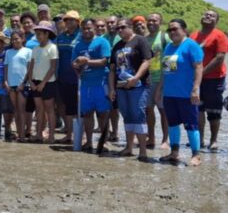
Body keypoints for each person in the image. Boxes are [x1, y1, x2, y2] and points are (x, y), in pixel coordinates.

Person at [157, 19, 204, 166]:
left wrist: (195, 88)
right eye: (169, 30)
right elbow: (166, 71)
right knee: (172, 124)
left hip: (186, 94)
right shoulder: (169, 47)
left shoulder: (191, 45)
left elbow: (198, 68)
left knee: (191, 125)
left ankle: (196, 155)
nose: (172, 32)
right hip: (170, 94)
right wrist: (159, 90)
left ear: (184, 29)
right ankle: (174, 153)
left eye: (175, 29)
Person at [109, 17, 153, 160]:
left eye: (122, 27)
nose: (120, 30)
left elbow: (147, 61)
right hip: (121, 87)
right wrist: (111, 88)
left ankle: (142, 151)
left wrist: (136, 78)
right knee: (127, 115)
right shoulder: (117, 46)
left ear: (130, 27)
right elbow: (112, 69)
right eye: (117, 28)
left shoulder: (140, 40)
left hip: (139, 85)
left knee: (138, 115)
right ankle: (128, 147)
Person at [190, 10, 228, 150]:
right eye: (205, 14)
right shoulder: (194, 35)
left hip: (214, 78)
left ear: (216, 21)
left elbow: (219, 58)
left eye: (212, 15)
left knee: (213, 110)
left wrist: (201, 72)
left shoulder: (220, 35)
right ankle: (199, 139)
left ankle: (214, 140)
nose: (207, 16)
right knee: (198, 108)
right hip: (196, 79)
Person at [72, 17, 112, 151]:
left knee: (102, 114)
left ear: (95, 28)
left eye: (89, 28)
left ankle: (104, 142)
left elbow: (104, 61)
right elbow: (73, 63)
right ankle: (88, 141)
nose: (86, 31)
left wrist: (86, 61)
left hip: (101, 84)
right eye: (84, 28)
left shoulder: (102, 42)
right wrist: (76, 67)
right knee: (87, 114)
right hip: (85, 85)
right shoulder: (78, 45)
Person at [23, 21, 59, 143]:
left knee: (49, 110)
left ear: (47, 34)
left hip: (48, 83)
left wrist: (43, 83)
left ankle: (51, 135)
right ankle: (38, 133)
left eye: (40, 34)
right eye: (36, 34)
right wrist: (30, 81)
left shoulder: (52, 48)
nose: (38, 36)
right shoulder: (35, 49)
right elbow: (31, 67)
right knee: (39, 109)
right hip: (35, 81)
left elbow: (53, 68)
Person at [55, 11, 81, 143]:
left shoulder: (82, 36)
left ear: (78, 22)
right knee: (68, 107)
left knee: (80, 108)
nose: (69, 22)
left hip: (79, 78)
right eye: (66, 20)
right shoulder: (60, 37)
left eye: (72, 20)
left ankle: (80, 136)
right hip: (63, 77)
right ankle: (70, 134)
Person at [145, 13, 170, 149]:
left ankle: (165, 139)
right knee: (148, 110)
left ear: (160, 22)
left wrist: (165, 80)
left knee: (163, 111)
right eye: (149, 20)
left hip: (162, 79)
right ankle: (151, 137)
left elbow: (170, 59)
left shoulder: (165, 37)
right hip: (148, 81)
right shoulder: (144, 39)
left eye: (155, 20)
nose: (151, 22)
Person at [4, 30, 32, 142]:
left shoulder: (28, 51)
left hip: (23, 85)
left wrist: (23, 83)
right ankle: (18, 133)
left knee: (22, 110)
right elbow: (6, 68)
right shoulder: (8, 52)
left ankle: (22, 135)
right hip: (11, 85)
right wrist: (5, 82)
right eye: (13, 39)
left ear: (22, 39)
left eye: (17, 39)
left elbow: (29, 69)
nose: (14, 41)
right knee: (15, 110)